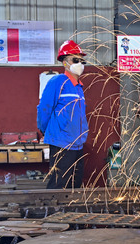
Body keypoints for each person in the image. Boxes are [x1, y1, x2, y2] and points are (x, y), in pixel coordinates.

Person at [37, 40, 88, 189]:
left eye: (81, 60)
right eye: (75, 59)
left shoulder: (79, 87)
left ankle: (70, 212)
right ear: (65, 62)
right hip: (61, 143)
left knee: (75, 183)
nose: (80, 63)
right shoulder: (58, 82)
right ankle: (52, 211)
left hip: (77, 144)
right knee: (59, 184)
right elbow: (44, 109)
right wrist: (48, 132)